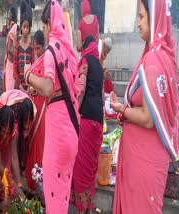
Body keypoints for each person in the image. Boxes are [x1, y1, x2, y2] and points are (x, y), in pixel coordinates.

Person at [110, 0, 178, 213]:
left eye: (141, 16)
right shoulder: (164, 57)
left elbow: (148, 118)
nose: (138, 23)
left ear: (155, 17)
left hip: (144, 159)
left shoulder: (153, 61)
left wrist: (122, 110)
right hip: (147, 156)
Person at [24, 1, 80, 212]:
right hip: (71, 131)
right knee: (62, 192)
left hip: (57, 131)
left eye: (45, 25)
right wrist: (39, 89)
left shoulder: (51, 50)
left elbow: (48, 87)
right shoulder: (68, 51)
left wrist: (29, 75)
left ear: (49, 24)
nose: (45, 31)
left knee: (52, 191)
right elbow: (60, 88)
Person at [70, 35, 104, 213]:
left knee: (82, 163)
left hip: (86, 116)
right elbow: (101, 92)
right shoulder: (99, 64)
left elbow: (81, 88)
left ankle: (82, 208)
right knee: (91, 162)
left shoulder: (85, 60)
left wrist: (76, 109)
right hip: (98, 117)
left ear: (84, 46)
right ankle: (88, 206)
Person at [24, 30, 47, 191]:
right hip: (34, 107)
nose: (36, 52)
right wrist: (31, 89)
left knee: (41, 142)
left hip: (44, 109)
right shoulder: (35, 63)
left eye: (39, 48)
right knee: (31, 140)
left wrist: (36, 90)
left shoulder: (48, 63)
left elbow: (48, 87)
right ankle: (31, 181)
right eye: (34, 49)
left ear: (44, 47)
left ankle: (41, 182)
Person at [0, 89, 36, 177]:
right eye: (25, 121)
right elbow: (13, 154)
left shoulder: (32, 111)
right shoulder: (12, 111)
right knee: (10, 149)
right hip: (8, 113)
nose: (27, 125)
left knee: (20, 145)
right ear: (21, 117)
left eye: (29, 121)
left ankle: (17, 170)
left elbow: (26, 130)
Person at [13, 3, 34, 91]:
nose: (25, 29)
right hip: (19, 86)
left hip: (30, 86)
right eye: (24, 27)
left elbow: (33, 66)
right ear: (21, 28)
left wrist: (31, 85)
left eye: (27, 27)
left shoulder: (31, 47)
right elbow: (15, 69)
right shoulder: (17, 46)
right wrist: (19, 85)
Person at [3, 23, 18, 91]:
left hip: (14, 65)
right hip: (9, 65)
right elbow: (9, 49)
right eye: (17, 32)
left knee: (13, 87)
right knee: (9, 87)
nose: (18, 34)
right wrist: (16, 55)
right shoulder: (10, 36)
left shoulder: (15, 39)